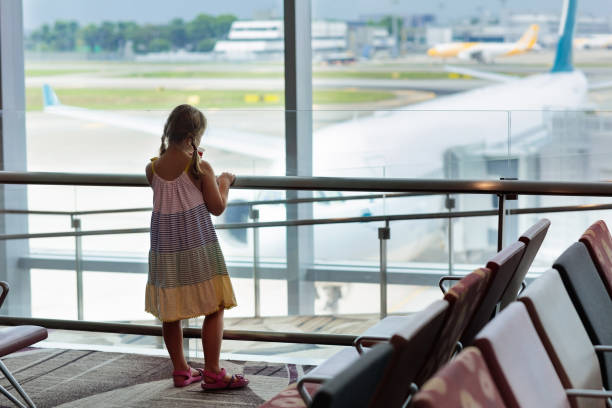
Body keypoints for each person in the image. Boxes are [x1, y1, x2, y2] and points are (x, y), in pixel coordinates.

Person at [145, 104, 248, 390]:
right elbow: (216, 207)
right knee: (214, 306)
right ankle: (213, 371)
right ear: (193, 136)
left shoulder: (151, 167)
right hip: (197, 245)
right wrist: (224, 182)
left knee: (170, 311)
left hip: (165, 250)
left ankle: (181, 369)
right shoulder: (201, 167)